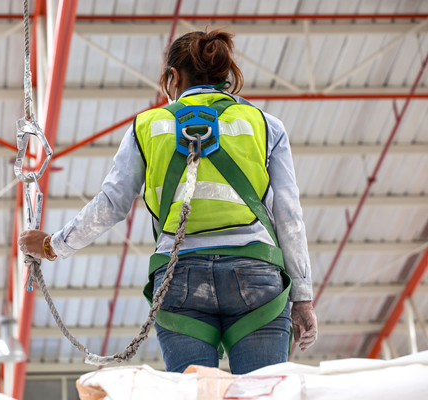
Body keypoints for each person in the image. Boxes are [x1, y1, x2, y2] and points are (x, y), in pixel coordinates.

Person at [18, 28, 318, 375]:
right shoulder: (266, 125)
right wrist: (303, 296)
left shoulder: (148, 125)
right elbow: (289, 216)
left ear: (173, 77)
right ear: (224, 76)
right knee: (261, 392)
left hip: (179, 278)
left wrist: (52, 245)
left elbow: (111, 204)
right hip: (256, 275)